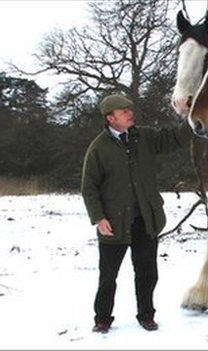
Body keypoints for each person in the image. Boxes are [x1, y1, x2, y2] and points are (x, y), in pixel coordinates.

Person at [81, 94, 192, 333]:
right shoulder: (98, 148)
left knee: (147, 272)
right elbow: (88, 187)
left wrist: (193, 117)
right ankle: (102, 318)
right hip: (114, 223)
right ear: (110, 118)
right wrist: (98, 218)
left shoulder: (144, 136)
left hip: (146, 219)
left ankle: (146, 315)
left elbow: (175, 138)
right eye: (123, 111)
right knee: (108, 276)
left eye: (130, 109)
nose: (130, 113)